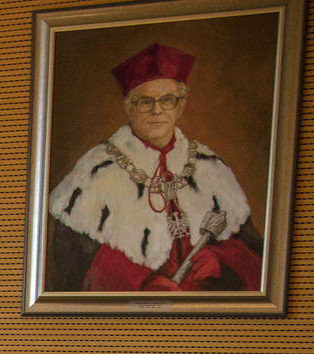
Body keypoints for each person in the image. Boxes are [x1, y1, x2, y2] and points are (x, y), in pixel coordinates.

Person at [46, 42, 263, 293]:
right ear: (129, 108)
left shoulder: (210, 167)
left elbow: (254, 255)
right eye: (145, 102)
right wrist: (140, 283)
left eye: (167, 100)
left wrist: (220, 261)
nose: (157, 110)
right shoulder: (97, 169)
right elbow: (70, 268)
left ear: (180, 106)